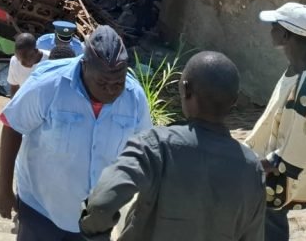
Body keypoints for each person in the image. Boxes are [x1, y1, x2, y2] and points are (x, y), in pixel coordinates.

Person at [80, 52, 265, 241]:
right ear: (233, 102)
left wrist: (95, 235)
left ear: (185, 89)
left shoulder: (154, 145)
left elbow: (102, 205)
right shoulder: (252, 168)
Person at [0, 25, 152, 239]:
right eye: (103, 82)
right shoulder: (48, 85)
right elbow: (12, 124)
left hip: (96, 217)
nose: (111, 90)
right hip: (41, 210)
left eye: (118, 82)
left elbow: (142, 150)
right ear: (84, 65)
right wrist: (4, 189)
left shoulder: (134, 98)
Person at [245, 3, 306, 241]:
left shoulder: (304, 91)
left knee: (271, 222)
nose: (271, 31)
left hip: (280, 175)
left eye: (274, 26)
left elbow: (289, 157)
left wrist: (251, 166)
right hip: (274, 159)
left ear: (285, 35)